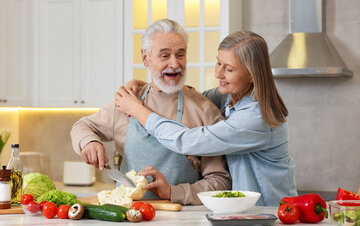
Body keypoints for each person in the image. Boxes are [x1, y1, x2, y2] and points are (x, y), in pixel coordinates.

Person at [115, 31, 298, 206]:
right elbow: (190, 100)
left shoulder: (255, 118)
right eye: (219, 63)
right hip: (246, 212)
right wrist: (146, 87)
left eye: (229, 69)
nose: (218, 74)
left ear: (251, 74)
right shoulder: (230, 95)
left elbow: (186, 141)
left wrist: (137, 110)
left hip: (270, 212)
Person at [71, 19, 231, 205]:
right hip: (128, 216)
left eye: (180, 54)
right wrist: (89, 142)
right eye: (165, 56)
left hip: (182, 219)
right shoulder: (127, 100)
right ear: (145, 58)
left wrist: (174, 192)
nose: (175, 63)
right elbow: (82, 126)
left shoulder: (204, 111)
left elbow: (220, 182)